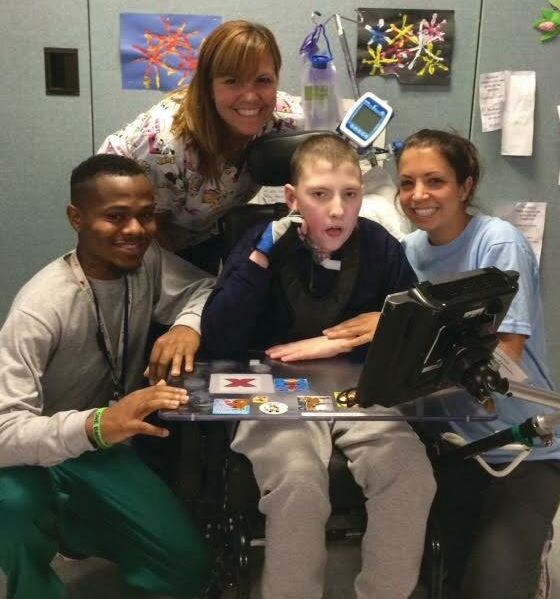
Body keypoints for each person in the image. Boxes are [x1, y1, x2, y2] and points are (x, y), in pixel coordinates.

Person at [201, 134, 436, 599]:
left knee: (411, 477)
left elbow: (407, 330)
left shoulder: (379, 246)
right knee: (299, 484)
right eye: (320, 194)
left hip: (356, 389)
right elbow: (219, 338)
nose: (337, 210)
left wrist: (342, 341)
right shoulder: (261, 242)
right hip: (272, 392)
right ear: (292, 198)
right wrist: (260, 257)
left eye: (350, 195)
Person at [0, 154, 217, 599]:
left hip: (101, 450)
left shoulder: (147, 262)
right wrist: (97, 425)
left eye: (145, 215)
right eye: (116, 217)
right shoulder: (39, 309)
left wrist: (185, 326)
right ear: (76, 218)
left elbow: (204, 287)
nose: (135, 230)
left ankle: (73, 526)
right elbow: (4, 432)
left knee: (187, 571)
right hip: (33, 456)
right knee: (14, 504)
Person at [396, 128, 560, 599]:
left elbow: (504, 359)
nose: (418, 195)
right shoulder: (406, 253)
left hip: (521, 447)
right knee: (430, 581)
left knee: (491, 588)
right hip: (451, 448)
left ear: (466, 186)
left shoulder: (498, 243)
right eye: (407, 183)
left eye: (435, 181)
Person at [98, 19, 303, 273]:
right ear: (208, 86)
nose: (250, 96)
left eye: (263, 80)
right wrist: (192, 285)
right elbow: (153, 228)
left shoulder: (283, 117)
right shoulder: (167, 144)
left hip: (201, 224)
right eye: (232, 81)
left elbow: (338, 128)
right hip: (133, 227)